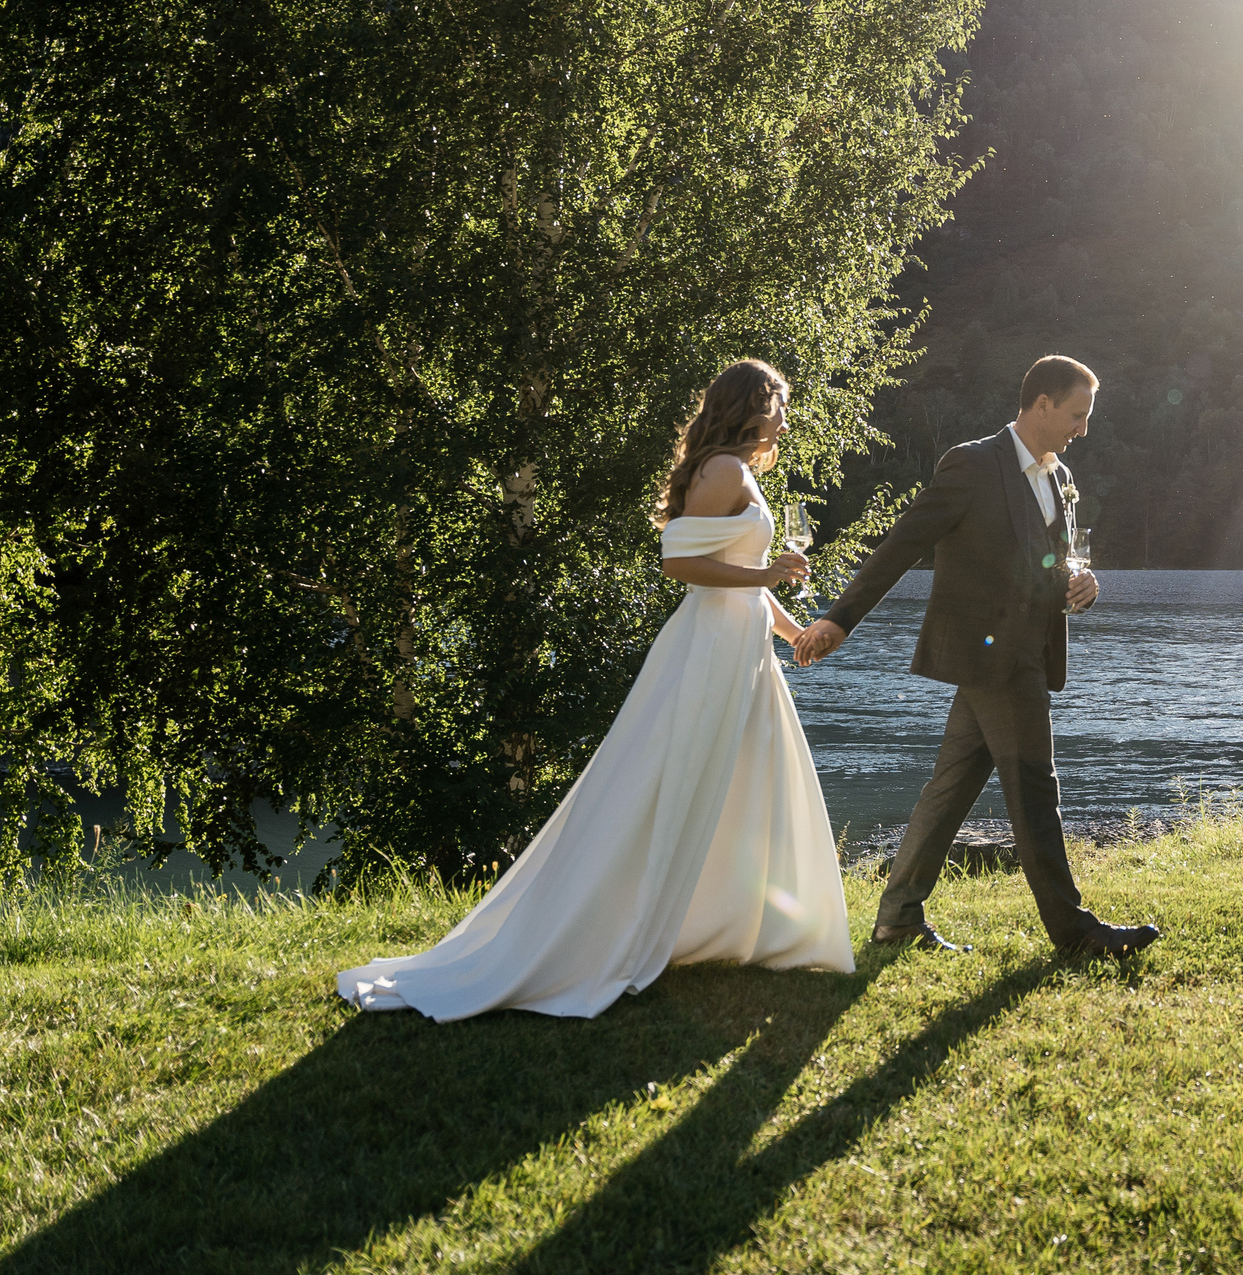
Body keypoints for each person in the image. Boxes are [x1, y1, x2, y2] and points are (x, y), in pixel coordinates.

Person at [336, 359, 852, 1019]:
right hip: (708, 651)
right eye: (779, 403)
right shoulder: (722, 470)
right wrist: (768, 576)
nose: (785, 414)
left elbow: (741, 572)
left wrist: (791, 630)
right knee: (670, 776)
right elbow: (681, 565)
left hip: (742, 648)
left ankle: (739, 922)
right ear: (751, 405)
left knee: (749, 776)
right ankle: (613, 926)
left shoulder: (740, 470)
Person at [793, 355, 1158, 961]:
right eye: (1077, 414)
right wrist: (839, 618)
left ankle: (897, 919)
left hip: (1028, 654)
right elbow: (903, 543)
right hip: (992, 657)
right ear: (1040, 404)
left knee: (952, 787)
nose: (1083, 429)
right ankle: (1075, 933)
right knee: (1036, 787)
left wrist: (1084, 584)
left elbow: (1057, 561)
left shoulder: (1060, 476)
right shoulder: (971, 463)